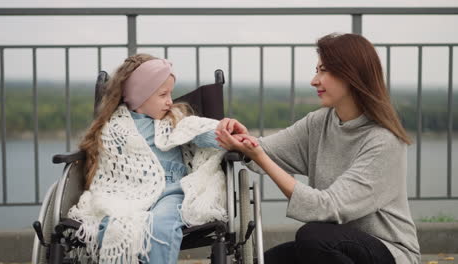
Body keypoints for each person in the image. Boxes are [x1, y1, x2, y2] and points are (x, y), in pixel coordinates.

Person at [215, 33, 420, 264]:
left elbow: (326, 207)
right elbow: (267, 149)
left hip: (388, 252)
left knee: (313, 236)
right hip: (333, 246)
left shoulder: (384, 141)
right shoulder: (320, 122)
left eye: (323, 71)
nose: (314, 80)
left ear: (351, 75)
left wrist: (260, 157)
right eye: (316, 70)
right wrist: (241, 138)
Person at [67, 53, 227, 264]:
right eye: (163, 95)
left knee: (162, 224)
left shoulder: (175, 118)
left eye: (170, 93)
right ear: (140, 96)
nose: (170, 101)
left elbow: (200, 131)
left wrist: (226, 135)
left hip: (171, 190)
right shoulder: (113, 127)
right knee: (112, 224)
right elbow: (108, 168)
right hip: (128, 189)